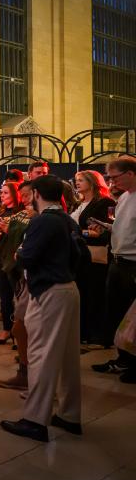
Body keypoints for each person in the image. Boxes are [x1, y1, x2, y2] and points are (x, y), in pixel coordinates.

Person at [1, 175, 83, 442]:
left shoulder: (43, 221)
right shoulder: (67, 219)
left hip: (47, 290)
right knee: (68, 356)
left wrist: (19, 254)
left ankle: (35, 420)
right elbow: (79, 255)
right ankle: (69, 415)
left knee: (41, 355)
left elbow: (27, 255)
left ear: (36, 193)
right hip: (67, 287)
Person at [92, 156, 136, 383]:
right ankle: (122, 359)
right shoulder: (124, 198)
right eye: (108, 177)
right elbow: (123, 227)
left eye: (115, 177)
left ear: (130, 173)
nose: (112, 182)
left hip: (132, 264)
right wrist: (106, 227)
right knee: (117, 312)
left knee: (132, 318)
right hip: (117, 260)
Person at [0, 181, 37, 390]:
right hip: (23, 273)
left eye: (28, 195)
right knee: (20, 324)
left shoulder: (44, 218)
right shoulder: (25, 215)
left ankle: (32, 374)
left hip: (35, 278)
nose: (25, 199)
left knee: (24, 326)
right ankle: (26, 369)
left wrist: (7, 229)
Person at [72, 171, 113, 346]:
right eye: (76, 181)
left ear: (93, 182)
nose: (78, 183)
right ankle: (85, 332)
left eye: (81, 180)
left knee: (94, 294)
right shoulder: (80, 203)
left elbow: (103, 232)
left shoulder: (104, 202)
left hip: (95, 256)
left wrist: (80, 232)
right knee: (84, 294)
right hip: (81, 255)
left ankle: (97, 334)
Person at [0, 182, 22, 342]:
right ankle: (7, 329)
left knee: (18, 294)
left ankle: (19, 330)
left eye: (6, 193)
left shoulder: (22, 213)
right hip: (0, 254)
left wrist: (6, 229)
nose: (1, 195)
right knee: (4, 295)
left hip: (14, 256)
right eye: (1, 192)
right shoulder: (1, 211)